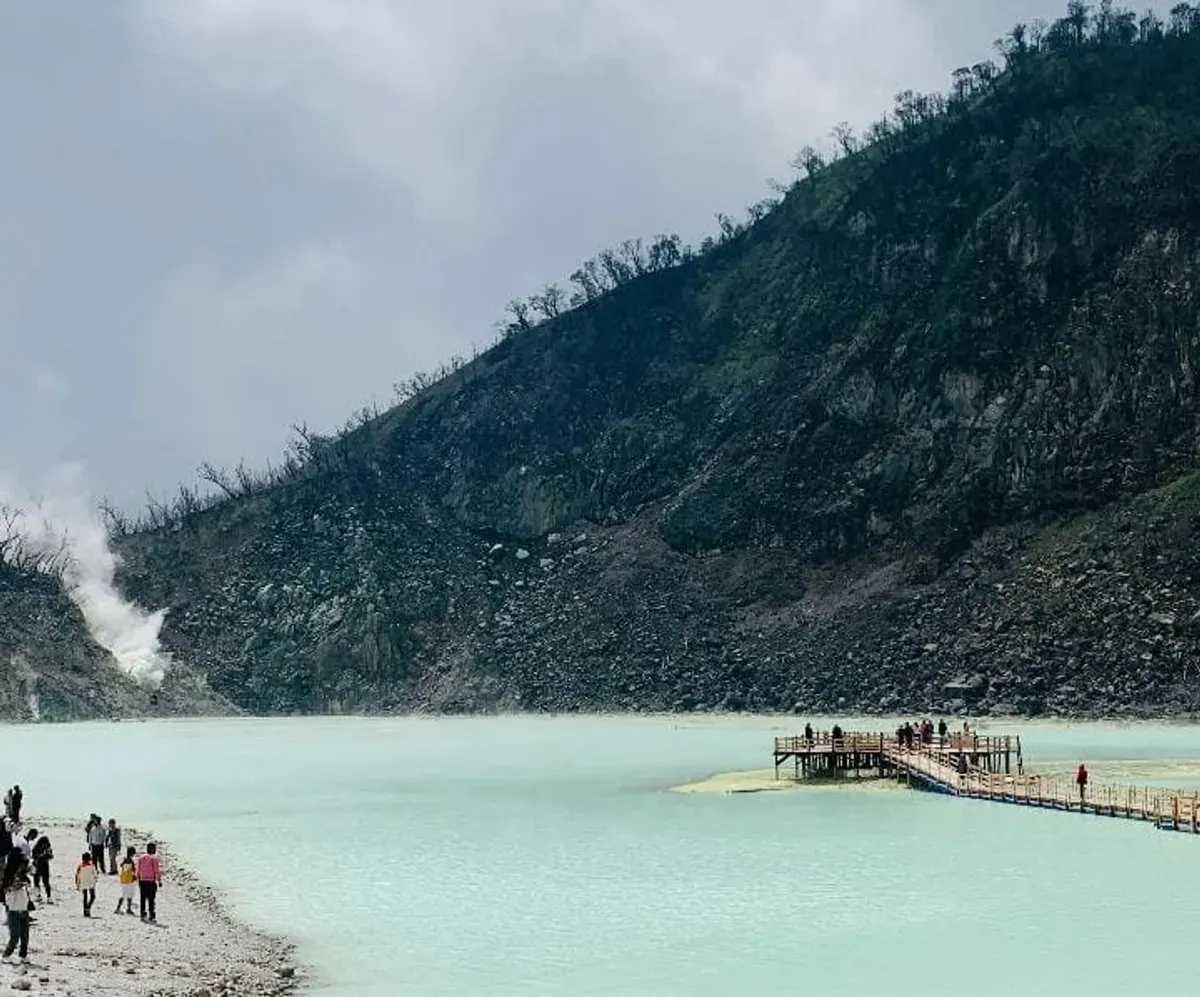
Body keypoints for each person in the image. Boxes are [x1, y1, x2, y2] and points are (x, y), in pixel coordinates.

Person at [1, 852, 32, 964]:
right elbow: (7, 897)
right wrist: (13, 888)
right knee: (15, 936)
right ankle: (6, 955)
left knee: (25, 936)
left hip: (24, 909)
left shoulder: (24, 878)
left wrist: (24, 885)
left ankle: (23, 956)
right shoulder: (9, 877)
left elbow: (28, 892)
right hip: (13, 911)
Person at [137, 842, 162, 923]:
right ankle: (151, 915)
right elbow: (156, 871)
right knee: (151, 899)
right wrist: (159, 880)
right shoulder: (154, 859)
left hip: (142, 880)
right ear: (152, 849)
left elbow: (138, 869)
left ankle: (143, 914)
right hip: (151, 881)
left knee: (143, 898)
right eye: (154, 848)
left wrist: (138, 878)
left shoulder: (141, 858)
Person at [30, 832, 52, 905]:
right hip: (39, 866)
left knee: (44, 882)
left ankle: (47, 897)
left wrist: (46, 855)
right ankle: (39, 896)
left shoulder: (47, 848)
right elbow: (34, 856)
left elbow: (51, 856)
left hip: (42, 866)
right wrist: (43, 855)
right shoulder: (36, 848)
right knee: (38, 882)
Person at [75, 852, 98, 917]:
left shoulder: (80, 866)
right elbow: (95, 874)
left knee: (85, 897)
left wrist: (77, 883)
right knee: (92, 897)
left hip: (84, 883)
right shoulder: (92, 866)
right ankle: (88, 908)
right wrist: (95, 880)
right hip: (90, 883)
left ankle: (85, 911)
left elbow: (77, 876)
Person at [116, 847, 137, 915]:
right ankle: (128, 909)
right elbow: (133, 871)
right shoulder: (131, 861)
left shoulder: (124, 860)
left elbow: (121, 865)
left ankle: (118, 908)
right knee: (130, 895)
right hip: (130, 880)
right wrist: (135, 878)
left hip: (124, 880)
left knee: (123, 894)